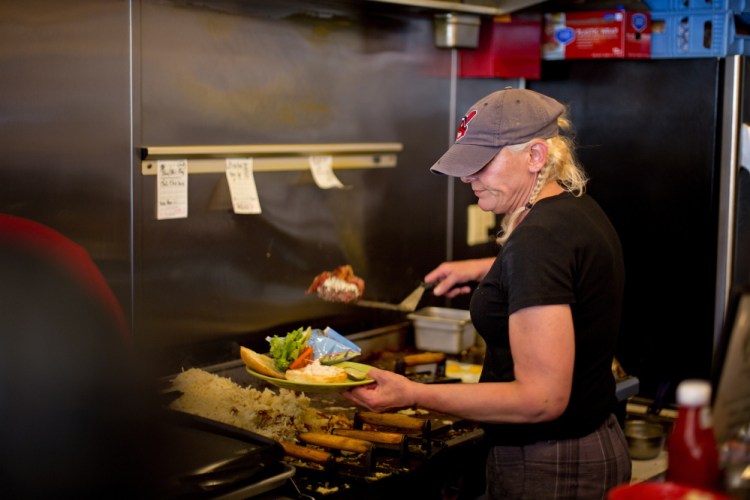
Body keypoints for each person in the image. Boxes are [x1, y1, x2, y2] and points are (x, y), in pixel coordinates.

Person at [343, 88, 631, 499]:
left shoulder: (539, 241)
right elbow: (575, 275)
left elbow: (542, 399)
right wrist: (491, 272)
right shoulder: (574, 211)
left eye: (482, 164)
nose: (467, 177)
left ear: (534, 156)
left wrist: (412, 394)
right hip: (589, 443)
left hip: (549, 466)